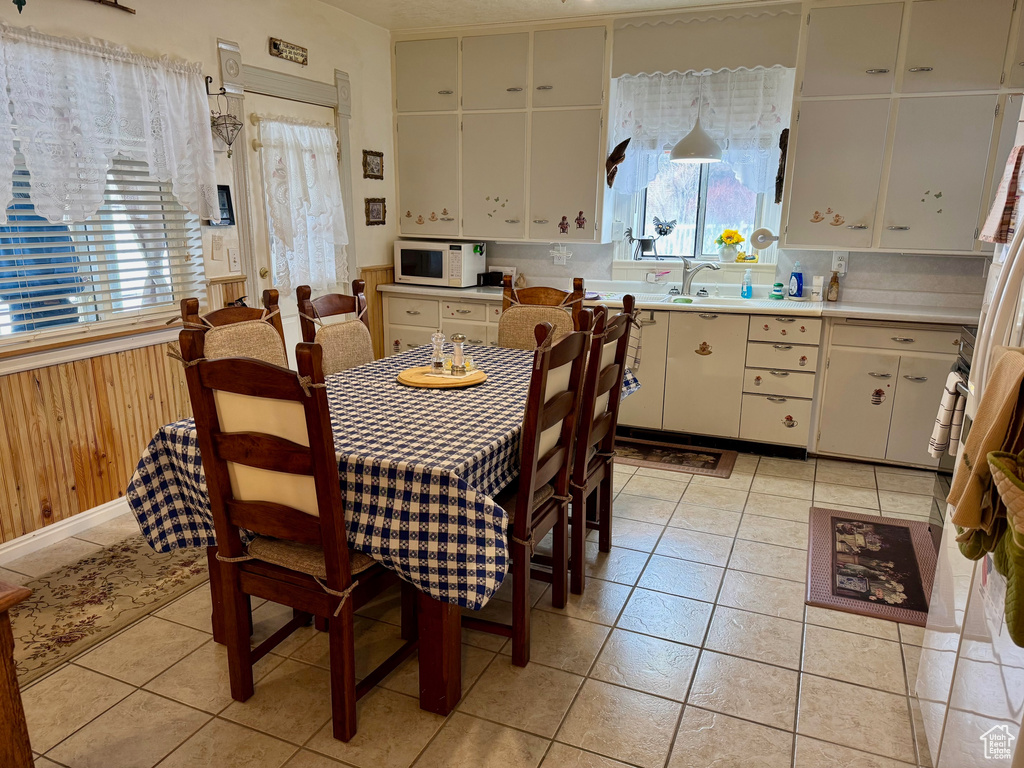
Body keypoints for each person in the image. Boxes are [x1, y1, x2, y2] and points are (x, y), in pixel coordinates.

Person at [0, 172, 82, 333]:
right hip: (55, 309)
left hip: (20, 314)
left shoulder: (2, 222)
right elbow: (66, 274)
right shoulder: (48, 217)